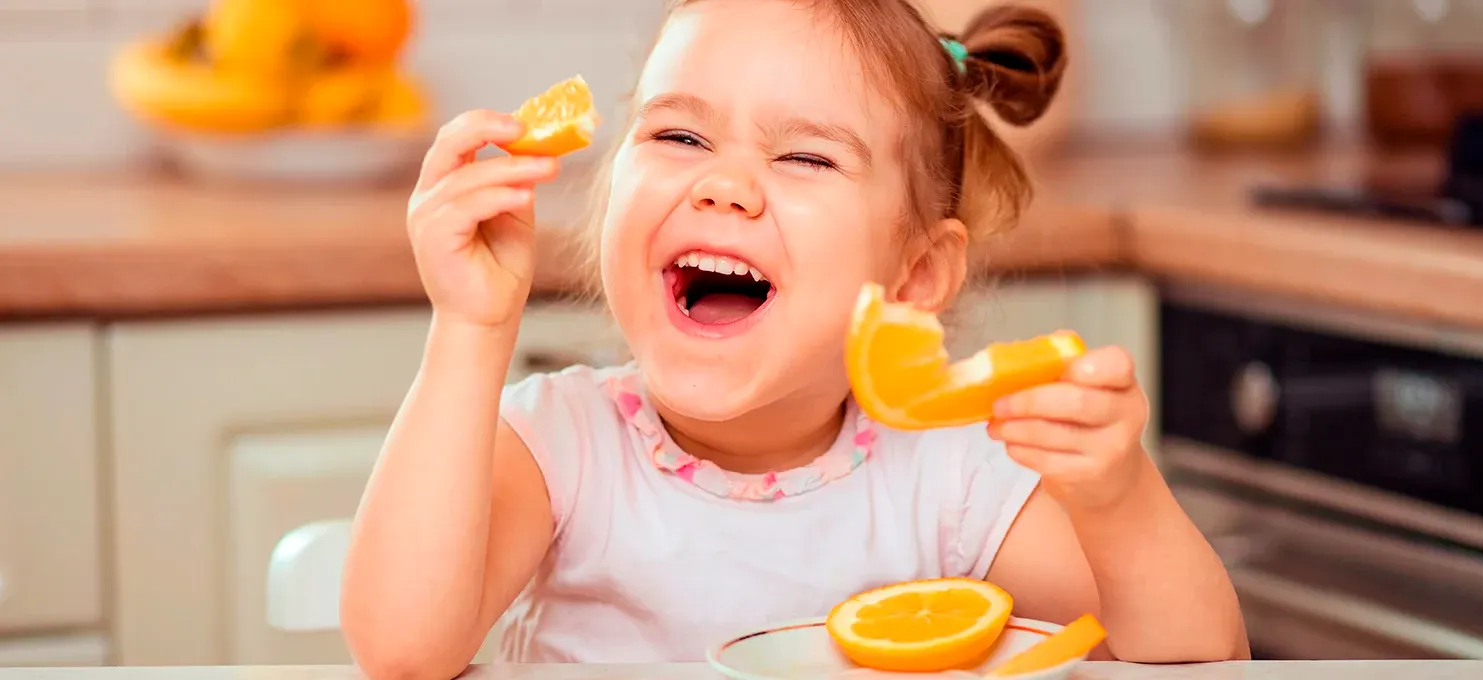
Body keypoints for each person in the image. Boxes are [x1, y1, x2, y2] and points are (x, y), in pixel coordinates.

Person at [340, 0, 1250, 676]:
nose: (723, 185)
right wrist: (469, 327)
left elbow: (1195, 659)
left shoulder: (953, 473)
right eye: (679, 134)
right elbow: (404, 651)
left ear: (917, 276)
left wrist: (1119, 496)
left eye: (805, 155)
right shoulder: (560, 445)